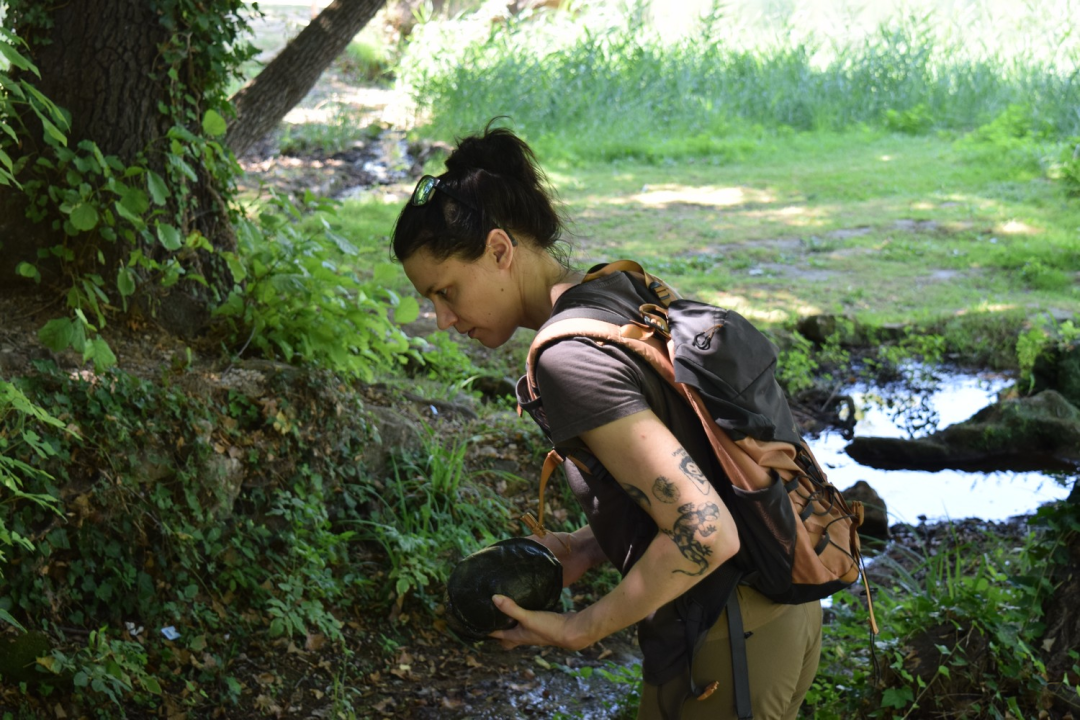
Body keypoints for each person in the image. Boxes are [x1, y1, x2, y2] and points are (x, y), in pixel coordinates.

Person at [391, 122, 823, 720]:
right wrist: (589, 547)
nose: (441, 319)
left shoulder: (566, 358)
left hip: (726, 643)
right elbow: (692, 470)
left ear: (498, 250)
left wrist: (579, 629)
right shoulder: (613, 291)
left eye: (446, 292)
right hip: (780, 620)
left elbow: (705, 530)